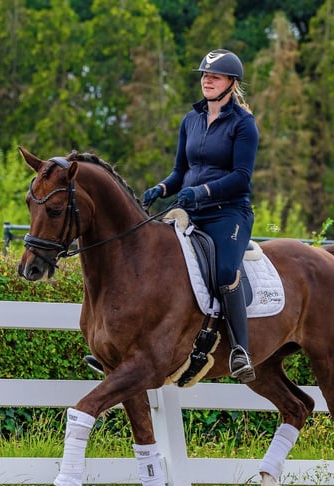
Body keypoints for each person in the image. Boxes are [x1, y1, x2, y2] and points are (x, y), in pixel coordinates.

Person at [143, 48, 259, 383]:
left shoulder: (243, 125)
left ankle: (241, 350)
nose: (207, 80)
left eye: (215, 76)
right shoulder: (190, 120)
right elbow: (180, 171)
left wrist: (203, 192)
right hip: (189, 211)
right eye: (204, 76)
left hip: (228, 214)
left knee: (225, 271)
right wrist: (162, 188)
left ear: (230, 83)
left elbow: (241, 177)